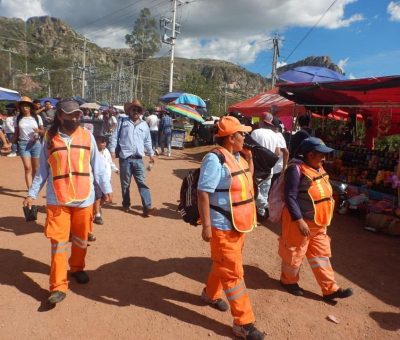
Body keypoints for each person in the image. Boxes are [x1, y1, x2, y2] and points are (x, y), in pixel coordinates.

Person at [23, 98, 112, 305]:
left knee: (81, 239)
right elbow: (43, 171)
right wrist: (32, 193)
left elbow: (97, 166)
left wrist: (107, 188)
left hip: (84, 199)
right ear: (60, 116)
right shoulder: (50, 138)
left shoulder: (87, 135)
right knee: (58, 243)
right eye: (71, 114)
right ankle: (58, 287)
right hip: (58, 200)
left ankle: (77, 267)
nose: (76, 117)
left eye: (78, 114)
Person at [197, 116, 264, 340]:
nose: (245, 137)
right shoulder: (214, 160)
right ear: (231, 138)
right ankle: (243, 323)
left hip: (239, 224)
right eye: (242, 134)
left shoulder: (238, 157)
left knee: (222, 263)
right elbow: (203, 192)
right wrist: (206, 225)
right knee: (233, 273)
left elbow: (245, 181)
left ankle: (210, 294)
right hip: (222, 225)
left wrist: (250, 160)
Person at [279, 137, 353, 301]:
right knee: (294, 253)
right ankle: (288, 281)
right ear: (310, 154)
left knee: (321, 255)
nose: (324, 158)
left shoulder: (318, 167)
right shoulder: (295, 169)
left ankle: (330, 289)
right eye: (321, 155)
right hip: (299, 222)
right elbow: (289, 196)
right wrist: (299, 220)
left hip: (319, 223)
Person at [109, 99, 155, 216]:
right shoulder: (122, 122)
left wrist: (151, 154)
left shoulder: (144, 125)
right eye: (133, 109)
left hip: (138, 159)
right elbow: (114, 136)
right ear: (129, 111)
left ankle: (147, 207)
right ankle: (126, 203)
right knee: (125, 184)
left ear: (140, 112)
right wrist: (112, 151)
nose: (135, 111)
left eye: (138, 110)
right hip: (125, 157)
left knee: (142, 183)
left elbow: (148, 141)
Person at [250, 112, 282, 220]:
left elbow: (252, 150)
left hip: (258, 168)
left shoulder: (256, 132)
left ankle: (266, 207)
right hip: (270, 168)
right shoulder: (275, 135)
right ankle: (262, 214)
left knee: (254, 189)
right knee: (263, 191)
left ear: (261, 120)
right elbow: (277, 153)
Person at [12, 96, 44, 189]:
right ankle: (30, 190)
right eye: (22, 106)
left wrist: (39, 131)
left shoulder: (37, 117)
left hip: (36, 144)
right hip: (23, 144)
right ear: (20, 108)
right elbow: (16, 134)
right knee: (27, 168)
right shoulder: (18, 119)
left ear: (30, 107)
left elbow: (43, 132)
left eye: (27, 106)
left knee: (36, 168)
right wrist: (9, 143)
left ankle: (33, 187)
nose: (24, 108)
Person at [93, 135, 119, 226]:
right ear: (96, 143)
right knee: (98, 196)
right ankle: (97, 215)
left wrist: (115, 169)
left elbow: (110, 162)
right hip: (96, 178)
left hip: (107, 178)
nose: (104, 144)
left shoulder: (106, 152)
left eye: (105, 142)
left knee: (105, 197)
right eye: (101, 142)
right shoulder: (94, 153)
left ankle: (98, 207)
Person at [271, 118, 289, 187]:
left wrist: (284, 167)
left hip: (277, 168)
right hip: (275, 168)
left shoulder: (278, 135)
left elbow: (284, 152)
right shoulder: (277, 135)